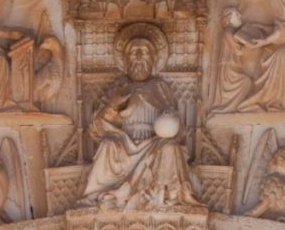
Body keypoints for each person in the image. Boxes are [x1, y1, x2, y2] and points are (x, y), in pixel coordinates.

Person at [82, 24, 200, 210]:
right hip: (123, 143)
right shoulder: (118, 87)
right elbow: (96, 128)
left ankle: (166, 196)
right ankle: (103, 194)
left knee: (171, 147)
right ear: (125, 60)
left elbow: (178, 128)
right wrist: (113, 106)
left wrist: (171, 118)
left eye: (143, 53)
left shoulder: (160, 87)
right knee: (107, 145)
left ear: (153, 60)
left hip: (154, 142)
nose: (138, 58)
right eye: (133, 53)